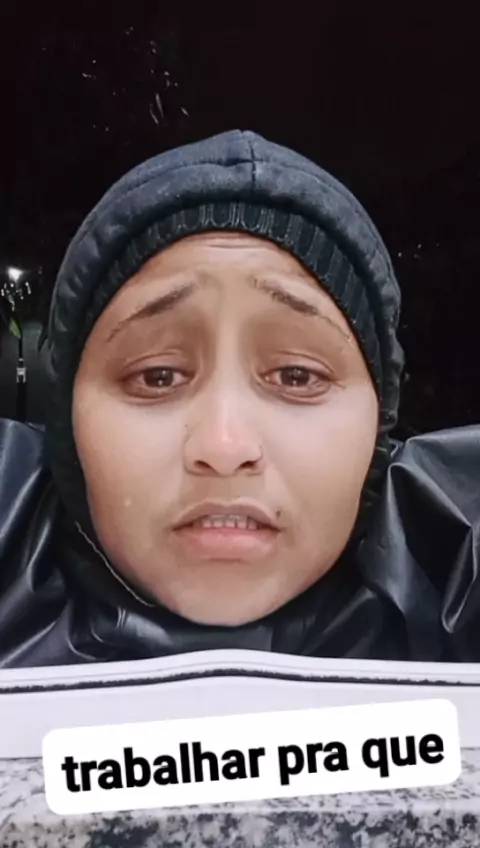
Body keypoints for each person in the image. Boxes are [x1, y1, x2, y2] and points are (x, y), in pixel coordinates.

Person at [0, 130, 478, 667]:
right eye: (157, 376)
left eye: (297, 375)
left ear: (379, 426)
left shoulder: (455, 565)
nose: (224, 447)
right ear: (68, 425)